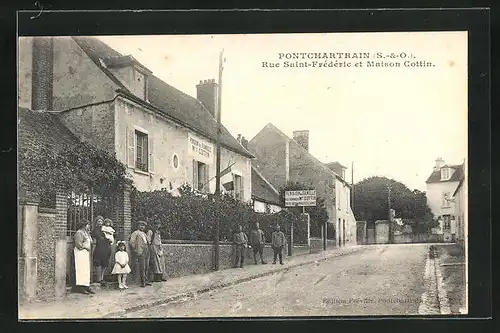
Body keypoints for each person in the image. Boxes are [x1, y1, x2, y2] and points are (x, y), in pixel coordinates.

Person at [73, 219, 95, 294]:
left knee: (86, 269)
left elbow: (91, 241)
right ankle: (81, 287)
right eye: (87, 225)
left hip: (85, 253)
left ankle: (87, 286)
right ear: (84, 225)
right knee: (81, 269)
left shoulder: (86, 233)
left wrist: (88, 234)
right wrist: (85, 247)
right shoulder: (79, 233)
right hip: (80, 253)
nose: (88, 226)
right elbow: (78, 245)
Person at [129, 221, 152, 287]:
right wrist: (135, 249)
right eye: (141, 225)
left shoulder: (144, 234)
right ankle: (143, 282)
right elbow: (131, 242)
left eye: (143, 225)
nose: (142, 227)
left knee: (147, 266)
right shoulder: (135, 233)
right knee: (142, 267)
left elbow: (147, 241)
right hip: (140, 251)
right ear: (138, 226)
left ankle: (146, 280)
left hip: (146, 250)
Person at [91, 215, 112, 285]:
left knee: (104, 264)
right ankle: (98, 279)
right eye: (98, 221)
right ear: (96, 222)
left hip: (106, 248)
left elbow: (111, 235)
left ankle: (102, 278)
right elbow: (97, 237)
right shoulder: (95, 229)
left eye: (101, 221)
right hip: (99, 248)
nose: (100, 222)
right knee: (98, 263)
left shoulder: (105, 228)